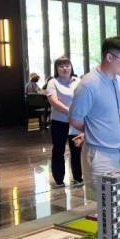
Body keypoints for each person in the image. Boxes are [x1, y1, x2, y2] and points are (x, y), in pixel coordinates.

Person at [69, 37, 120, 191]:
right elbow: (75, 119)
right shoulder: (88, 84)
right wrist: (92, 131)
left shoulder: (117, 79)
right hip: (101, 155)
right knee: (102, 202)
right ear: (109, 57)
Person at [45, 56, 82, 187]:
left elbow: (83, 98)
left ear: (71, 67)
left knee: (76, 150)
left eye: (67, 65)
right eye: (61, 66)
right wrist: (70, 111)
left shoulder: (78, 81)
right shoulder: (53, 82)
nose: (65, 68)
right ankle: (59, 179)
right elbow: (54, 101)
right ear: (56, 69)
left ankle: (78, 177)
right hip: (59, 122)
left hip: (76, 122)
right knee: (58, 150)